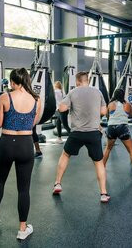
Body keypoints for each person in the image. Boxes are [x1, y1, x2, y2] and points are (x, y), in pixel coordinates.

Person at [0, 68, 41, 240]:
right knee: (24, 189)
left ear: (12, 81)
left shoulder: (5, 97)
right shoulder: (36, 99)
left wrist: (0, 111)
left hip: (6, 143)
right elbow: (33, 123)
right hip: (26, 145)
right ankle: (22, 229)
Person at [52, 71, 110, 203]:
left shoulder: (73, 92)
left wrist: (69, 105)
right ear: (87, 80)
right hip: (93, 133)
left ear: (77, 81)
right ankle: (103, 193)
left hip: (77, 133)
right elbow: (103, 111)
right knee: (99, 163)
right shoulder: (98, 92)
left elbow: (61, 109)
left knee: (66, 155)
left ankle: (57, 183)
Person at [102, 88, 132, 178]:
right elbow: (129, 114)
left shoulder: (110, 104)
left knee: (108, 148)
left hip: (111, 127)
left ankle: (102, 169)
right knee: (131, 150)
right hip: (122, 127)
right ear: (123, 95)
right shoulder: (127, 104)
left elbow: (107, 116)